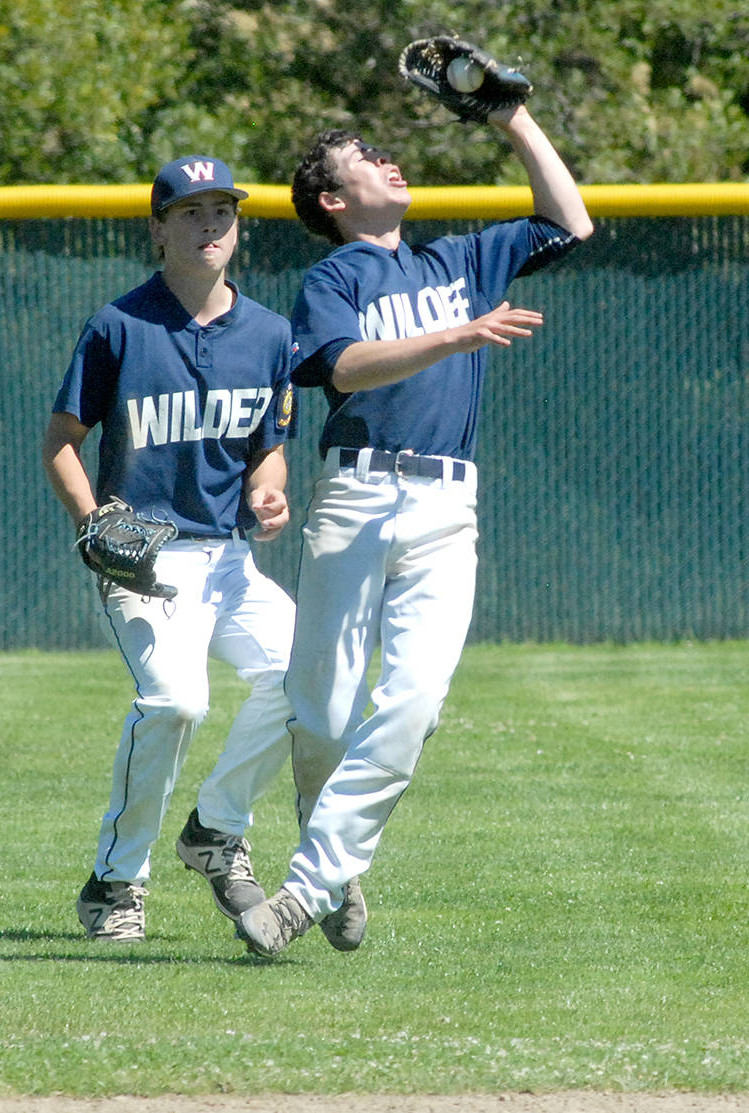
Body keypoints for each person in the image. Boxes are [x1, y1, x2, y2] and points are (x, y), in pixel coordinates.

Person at [235, 102, 594, 956]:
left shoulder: (460, 257)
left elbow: (570, 222)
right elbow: (346, 370)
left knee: (415, 703)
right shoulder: (336, 281)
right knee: (319, 717)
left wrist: (514, 119)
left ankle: (305, 886)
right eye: (368, 156)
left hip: (445, 508)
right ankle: (333, 852)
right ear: (332, 200)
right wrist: (457, 333)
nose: (391, 160)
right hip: (356, 497)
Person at [42, 154, 298, 942]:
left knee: (309, 680)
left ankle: (214, 828)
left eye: (222, 209)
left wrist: (269, 487)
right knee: (177, 703)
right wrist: (91, 523)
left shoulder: (269, 333)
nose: (209, 223)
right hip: (146, 560)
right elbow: (60, 441)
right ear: (158, 230)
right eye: (189, 211)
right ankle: (115, 882)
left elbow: (271, 446)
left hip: (228, 558)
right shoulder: (119, 325)